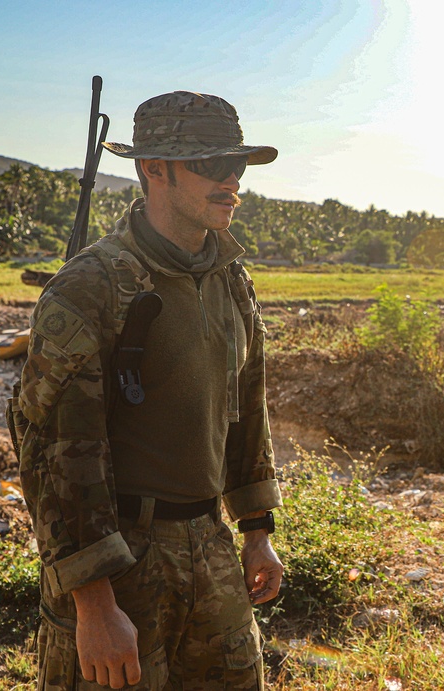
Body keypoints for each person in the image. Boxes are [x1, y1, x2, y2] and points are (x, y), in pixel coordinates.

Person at [16, 91, 283, 690]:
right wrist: (93, 604)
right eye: (208, 164)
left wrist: (256, 529)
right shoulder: (90, 287)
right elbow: (57, 453)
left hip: (211, 547)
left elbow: (246, 407)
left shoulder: (229, 279)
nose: (230, 180)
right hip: (120, 560)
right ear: (152, 168)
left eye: (236, 164)